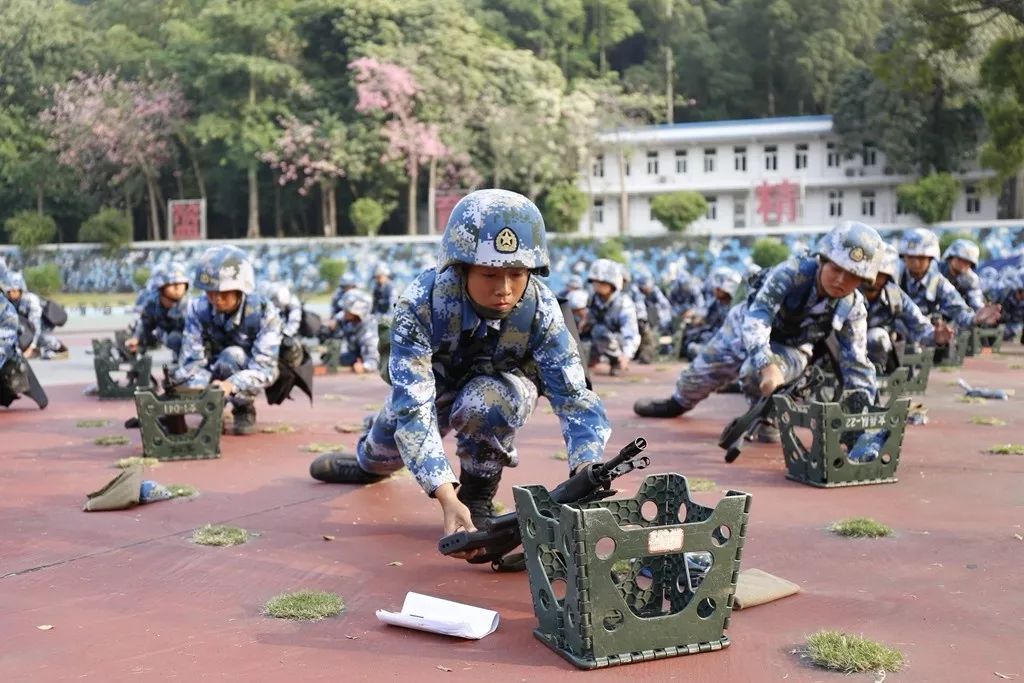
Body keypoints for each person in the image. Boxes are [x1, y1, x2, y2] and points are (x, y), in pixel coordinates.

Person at [308, 189, 610, 559]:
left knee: (487, 401)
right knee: (383, 449)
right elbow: (413, 408)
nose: (504, 288)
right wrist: (443, 495)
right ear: (460, 266)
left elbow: (574, 398)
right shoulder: (420, 303)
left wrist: (587, 464)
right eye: (489, 274)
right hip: (435, 387)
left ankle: (478, 494)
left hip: (500, 384)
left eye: (517, 274)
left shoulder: (542, 309)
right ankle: (369, 465)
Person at [634, 221, 883, 442]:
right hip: (744, 328)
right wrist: (767, 363)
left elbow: (856, 364)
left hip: (792, 346)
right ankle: (678, 402)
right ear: (823, 261)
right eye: (836, 269)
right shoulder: (791, 272)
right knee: (695, 379)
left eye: (852, 276)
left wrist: (863, 420)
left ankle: (768, 417)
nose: (840, 280)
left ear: (863, 281)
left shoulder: (853, 308)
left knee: (754, 373)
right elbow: (759, 316)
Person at [170, 245, 282, 435]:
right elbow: (191, 361)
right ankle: (213, 409)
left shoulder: (264, 311)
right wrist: (199, 390)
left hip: (246, 368)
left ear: (240, 289)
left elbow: (265, 368)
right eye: (210, 291)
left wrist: (232, 385)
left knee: (233, 355)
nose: (216, 298)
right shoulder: (197, 309)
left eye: (224, 292)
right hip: (211, 368)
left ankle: (243, 408)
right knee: (183, 377)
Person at [898, 229, 1001, 357]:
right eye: (911, 257)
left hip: (936, 319)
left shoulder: (942, 282)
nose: (915, 263)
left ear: (930, 258)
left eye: (921, 258)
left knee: (945, 335)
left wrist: (975, 318)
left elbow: (960, 307)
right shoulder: (896, 274)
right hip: (900, 322)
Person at [861, 243, 947, 373]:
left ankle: (876, 376)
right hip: (844, 346)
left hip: (877, 350)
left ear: (888, 276)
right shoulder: (847, 290)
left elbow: (918, 324)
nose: (873, 278)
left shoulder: (894, 296)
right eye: (870, 272)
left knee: (878, 337)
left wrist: (935, 336)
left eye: (880, 273)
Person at [580, 258, 640, 376]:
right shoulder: (594, 299)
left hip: (619, 341)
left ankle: (616, 361)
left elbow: (632, 334)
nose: (595, 285)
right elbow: (590, 318)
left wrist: (626, 355)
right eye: (594, 281)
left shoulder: (624, 304)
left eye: (600, 282)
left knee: (599, 331)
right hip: (601, 338)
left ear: (612, 283)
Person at [125, 261, 190, 361]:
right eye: (172, 283)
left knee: (175, 338)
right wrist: (137, 338)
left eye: (181, 283)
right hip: (168, 335)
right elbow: (145, 323)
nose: (177, 287)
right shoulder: (153, 305)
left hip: (195, 342)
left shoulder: (190, 306)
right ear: (160, 287)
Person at [1, 271, 67, 360]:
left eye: (13, 291)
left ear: (20, 289)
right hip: (23, 329)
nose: (10, 293)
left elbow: (36, 327)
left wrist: (31, 347)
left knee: (43, 339)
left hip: (38, 329)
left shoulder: (31, 301)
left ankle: (56, 347)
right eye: (8, 291)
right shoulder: (8, 302)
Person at [680, 267, 741, 361]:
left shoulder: (737, 306)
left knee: (694, 349)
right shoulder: (717, 302)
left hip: (730, 344)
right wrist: (695, 315)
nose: (715, 289)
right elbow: (703, 312)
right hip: (716, 338)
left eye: (718, 288)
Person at [334, 288, 379, 374]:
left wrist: (365, 367)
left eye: (347, 310)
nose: (344, 312)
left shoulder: (369, 331)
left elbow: (374, 360)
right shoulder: (349, 321)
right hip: (355, 354)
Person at [938, 238, 985, 311]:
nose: (963, 264)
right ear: (951, 258)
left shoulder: (971, 280)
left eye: (967, 261)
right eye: (960, 259)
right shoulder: (937, 269)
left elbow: (976, 302)